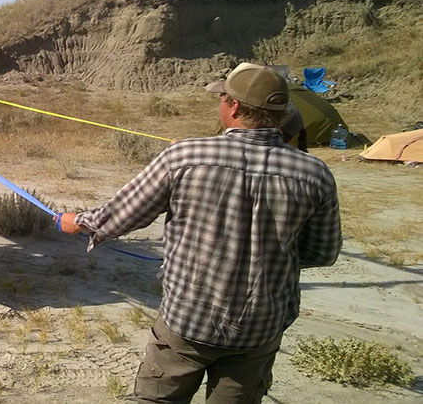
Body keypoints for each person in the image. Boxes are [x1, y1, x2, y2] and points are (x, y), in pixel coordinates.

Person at [56, 63, 340, 403]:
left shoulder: (185, 155)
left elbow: (121, 216)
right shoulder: (315, 173)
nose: (220, 102)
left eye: (222, 96)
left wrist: (76, 221)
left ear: (233, 106)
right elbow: (322, 252)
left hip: (187, 321)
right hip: (260, 328)